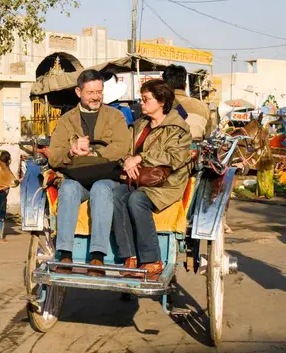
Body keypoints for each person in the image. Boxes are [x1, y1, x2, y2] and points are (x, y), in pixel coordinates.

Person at [48, 69, 130, 275]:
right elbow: (54, 156)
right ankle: (64, 253)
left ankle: (97, 257)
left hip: (106, 176)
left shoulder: (115, 116)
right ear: (78, 92)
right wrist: (71, 151)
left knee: (101, 189)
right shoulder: (66, 120)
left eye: (99, 92)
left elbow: (122, 147)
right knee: (68, 189)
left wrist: (94, 152)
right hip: (77, 176)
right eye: (90, 92)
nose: (95, 96)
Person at [112, 79, 192, 280]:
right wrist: (127, 161)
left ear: (162, 101)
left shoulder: (177, 128)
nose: (142, 103)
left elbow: (176, 158)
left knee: (136, 199)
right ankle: (129, 255)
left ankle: (152, 259)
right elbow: (125, 150)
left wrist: (141, 158)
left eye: (146, 99)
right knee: (116, 194)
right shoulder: (139, 124)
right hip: (137, 178)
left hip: (166, 182)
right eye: (142, 99)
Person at [162, 64, 212, 140]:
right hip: (195, 149)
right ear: (185, 86)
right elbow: (207, 135)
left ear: (164, 86)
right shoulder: (203, 107)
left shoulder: (157, 105)